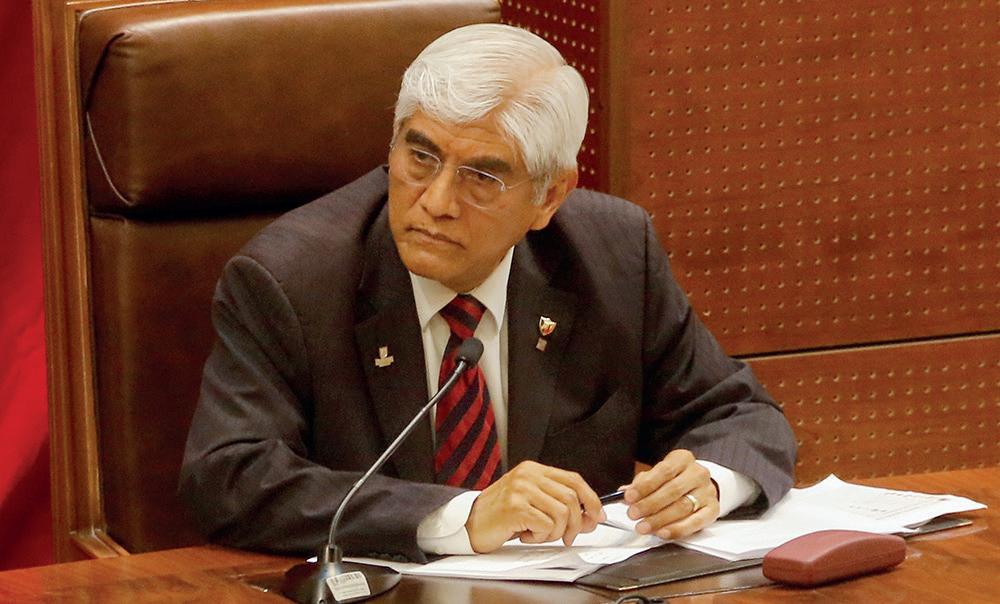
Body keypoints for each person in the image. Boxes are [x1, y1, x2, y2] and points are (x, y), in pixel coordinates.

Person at [179, 23, 796, 562]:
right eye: (421, 158)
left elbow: (741, 416)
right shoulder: (292, 280)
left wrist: (708, 482)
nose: (436, 202)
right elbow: (230, 479)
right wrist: (461, 518)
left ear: (549, 197)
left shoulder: (612, 256)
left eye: (481, 176)